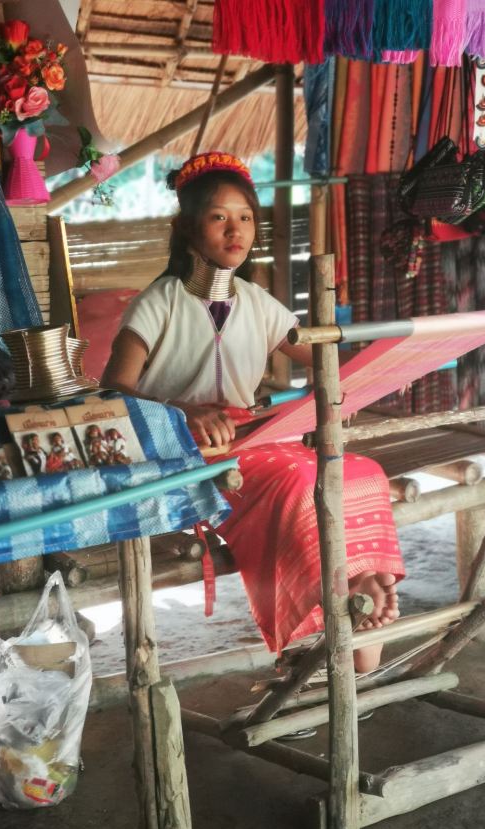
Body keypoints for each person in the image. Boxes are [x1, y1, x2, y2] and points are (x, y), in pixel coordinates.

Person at [102, 151, 404, 672]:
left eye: (244, 217)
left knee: (361, 472)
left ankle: (361, 598)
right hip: (182, 452)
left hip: (249, 441)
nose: (235, 229)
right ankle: (340, 627)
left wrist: (369, 374)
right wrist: (182, 414)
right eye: (219, 216)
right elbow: (114, 390)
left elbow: (323, 358)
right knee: (299, 485)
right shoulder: (159, 302)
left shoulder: (256, 301)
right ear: (186, 227)